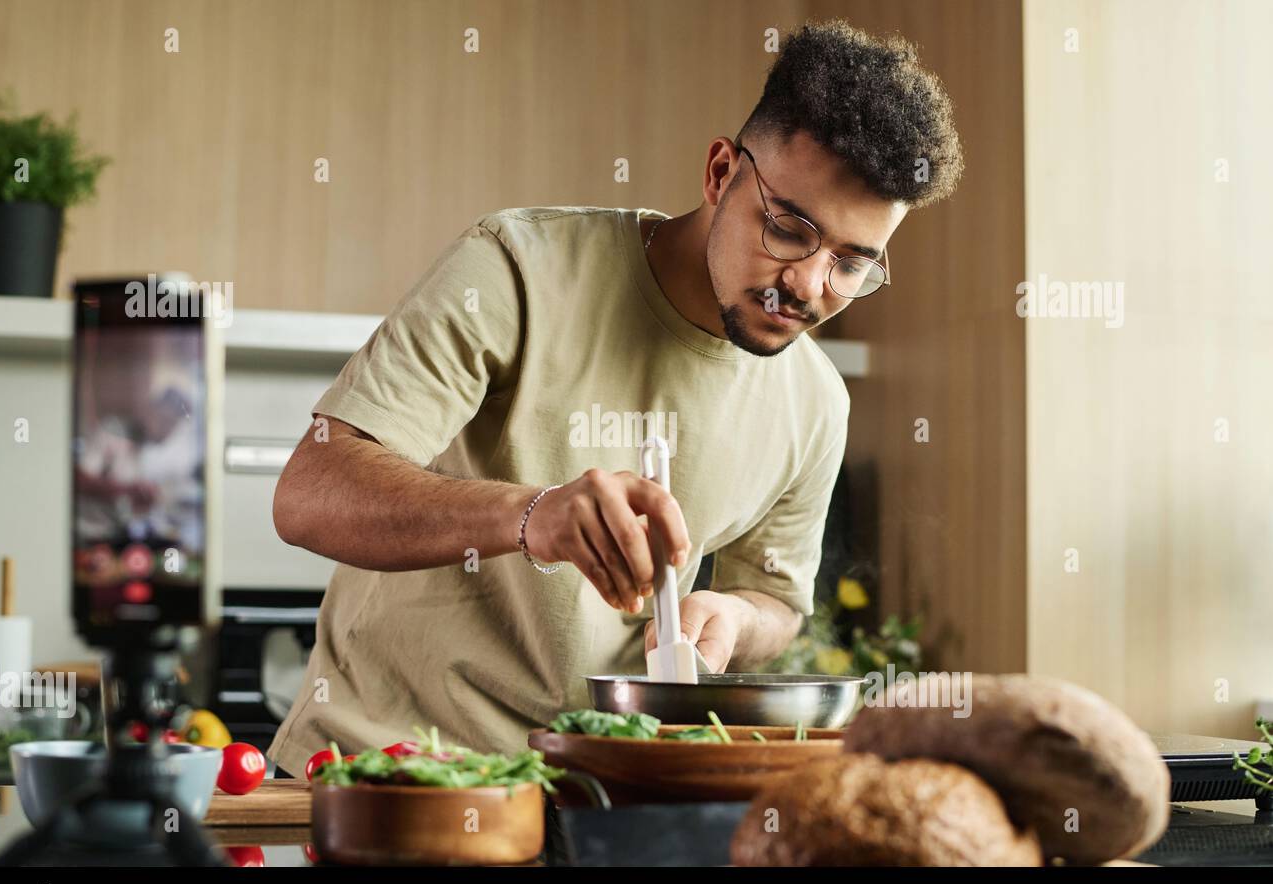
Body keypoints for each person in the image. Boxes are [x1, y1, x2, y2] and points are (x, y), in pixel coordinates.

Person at [266, 19, 963, 772]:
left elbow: (777, 602)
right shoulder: (518, 269)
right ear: (721, 172)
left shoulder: (816, 401)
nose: (809, 283)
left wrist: (730, 616)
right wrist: (532, 516)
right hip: (380, 777)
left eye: (852, 263)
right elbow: (310, 493)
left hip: (598, 799)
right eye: (789, 228)